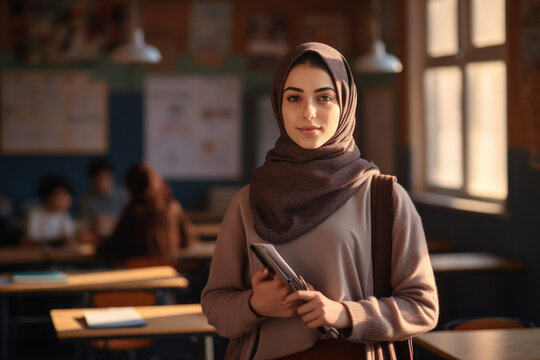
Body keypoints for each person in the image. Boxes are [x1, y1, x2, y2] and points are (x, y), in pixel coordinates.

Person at [201, 42, 439, 360]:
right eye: (294, 97)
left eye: (324, 97)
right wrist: (254, 305)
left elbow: (423, 307)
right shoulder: (248, 201)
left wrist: (344, 314)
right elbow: (215, 307)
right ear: (278, 105)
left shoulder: (384, 197)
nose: (308, 112)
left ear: (345, 105)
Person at [99, 162, 197, 261]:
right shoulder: (173, 208)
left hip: (138, 274)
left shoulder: (132, 212)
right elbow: (188, 240)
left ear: (132, 188)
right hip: (169, 272)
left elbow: (112, 247)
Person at [78, 157, 128, 241]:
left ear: (112, 177)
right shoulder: (85, 200)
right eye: (98, 178)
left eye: (105, 177)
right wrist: (93, 224)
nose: (102, 182)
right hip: (95, 240)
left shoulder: (123, 196)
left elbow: (132, 223)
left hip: (121, 240)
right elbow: (81, 226)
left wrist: (113, 222)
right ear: (91, 180)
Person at [22, 174, 76, 247]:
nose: (66, 201)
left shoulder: (63, 215)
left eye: (67, 196)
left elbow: (69, 236)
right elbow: (31, 239)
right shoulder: (35, 213)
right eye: (60, 197)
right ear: (48, 197)